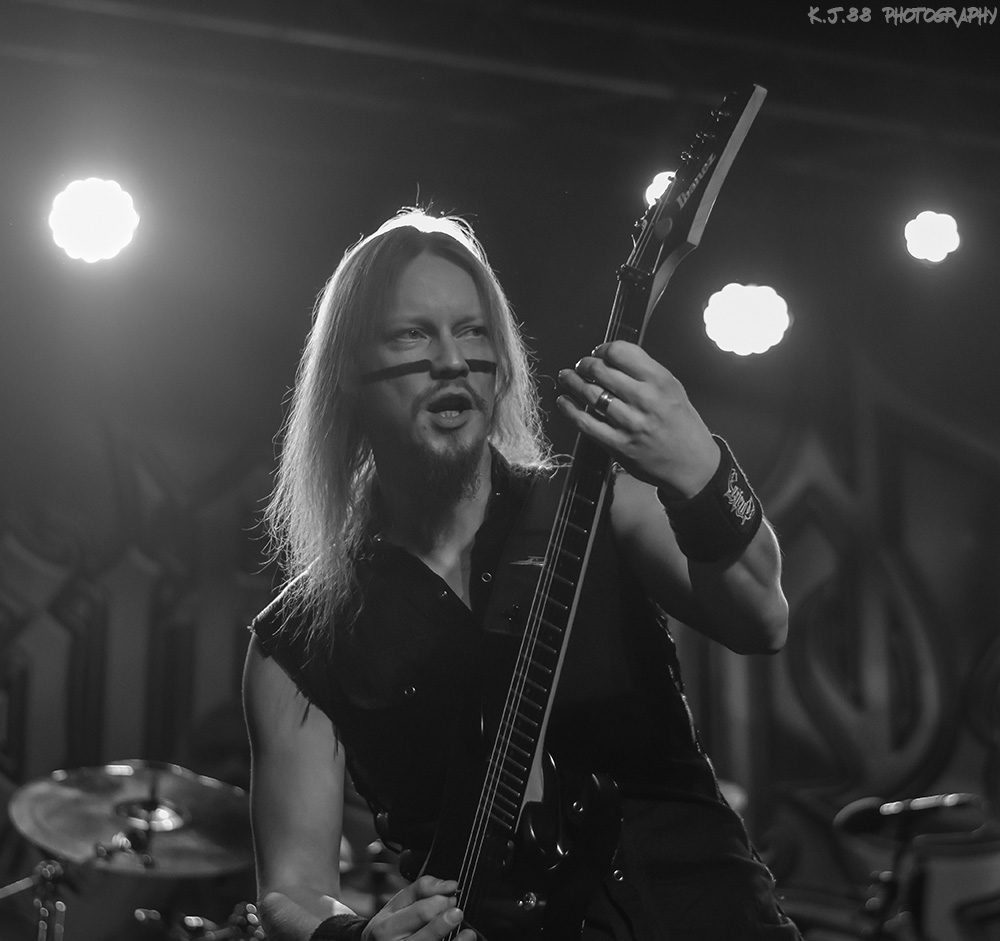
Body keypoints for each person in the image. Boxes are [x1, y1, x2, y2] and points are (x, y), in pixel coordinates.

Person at [243, 208, 801, 941]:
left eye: (472, 331)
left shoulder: (596, 507)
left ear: (502, 360)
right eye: (413, 334)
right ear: (349, 368)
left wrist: (702, 470)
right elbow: (291, 885)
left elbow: (762, 617)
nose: (451, 360)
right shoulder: (299, 635)